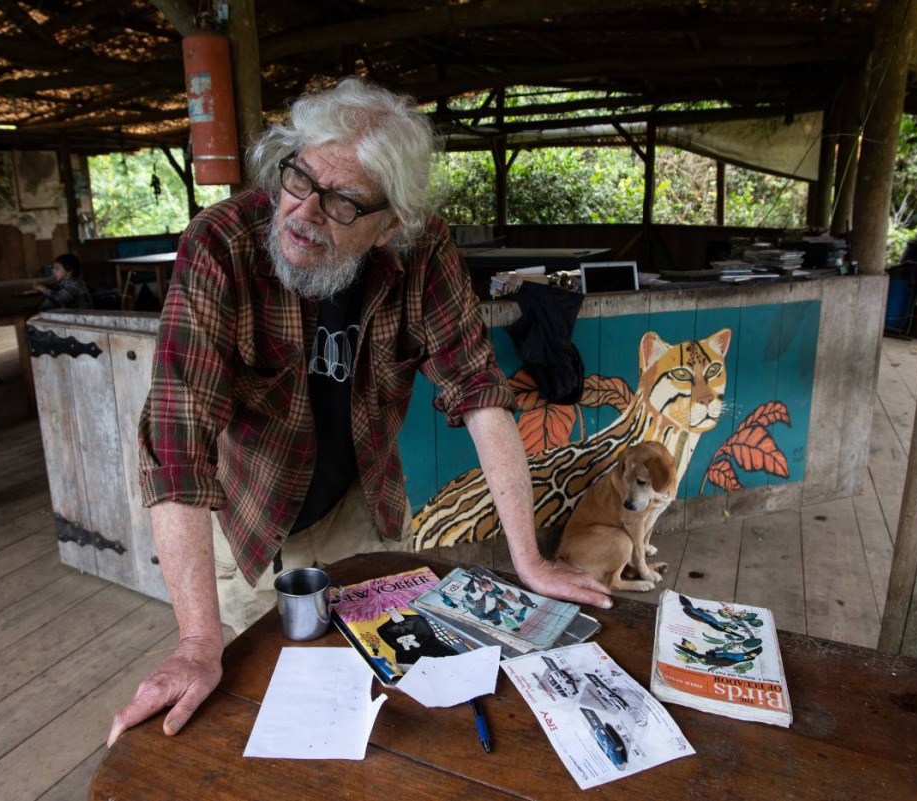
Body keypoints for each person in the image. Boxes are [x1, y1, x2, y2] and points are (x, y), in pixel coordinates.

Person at [106, 77, 611, 747]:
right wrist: (196, 641)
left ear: (389, 224)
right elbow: (177, 439)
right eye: (300, 178)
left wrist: (531, 559)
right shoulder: (220, 246)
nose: (304, 213)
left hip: (355, 506)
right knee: (261, 707)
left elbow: (480, 393)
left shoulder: (422, 249)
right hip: (244, 519)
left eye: (343, 202)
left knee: (372, 698)